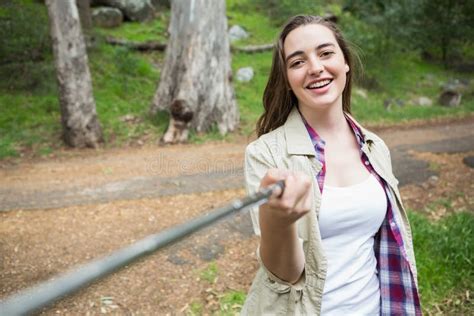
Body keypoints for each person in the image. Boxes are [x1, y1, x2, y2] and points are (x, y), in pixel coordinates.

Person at [242, 15, 421, 315]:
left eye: (325, 53)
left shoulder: (374, 147)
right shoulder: (266, 154)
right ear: (286, 79)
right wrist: (279, 221)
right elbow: (285, 274)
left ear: (345, 62)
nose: (315, 68)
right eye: (297, 62)